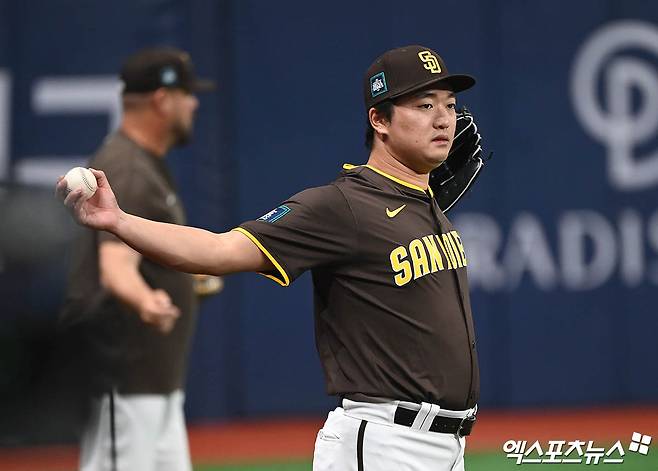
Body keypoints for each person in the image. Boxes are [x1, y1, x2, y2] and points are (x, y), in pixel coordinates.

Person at [58, 45, 480, 471]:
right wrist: (120, 221)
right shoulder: (342, 206)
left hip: (448, 446)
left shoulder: (424, 205)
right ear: (379, 120)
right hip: (385, 444)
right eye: (424, 105)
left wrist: (417, 210)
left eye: (449, 104)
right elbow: (219, 250)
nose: (444, 118)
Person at [59, 47, 218, 471]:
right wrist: (147, 300)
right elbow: (115, 267)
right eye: (187, 94)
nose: (194, 103)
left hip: (151, 380)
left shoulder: (143, 162)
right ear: (162, 100)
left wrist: (181, 280)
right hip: (124, 378)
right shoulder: (127, 168)